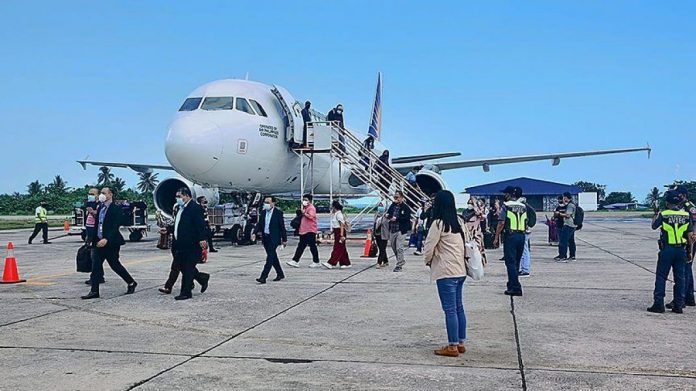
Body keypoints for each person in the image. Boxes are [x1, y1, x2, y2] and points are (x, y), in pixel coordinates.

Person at [423, 190, 468, 357]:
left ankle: (452, 346)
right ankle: (461, 342)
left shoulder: (438, 223)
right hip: (460, 270)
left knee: (449, 309)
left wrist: (428, 261)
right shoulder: (459, 221)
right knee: (459, 307)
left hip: (446, 270)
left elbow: (429, 247)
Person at [81, 188, 137, 299]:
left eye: (104, 193)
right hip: (98, 242)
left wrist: (106, 239)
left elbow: (115, 227)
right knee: (96, 266)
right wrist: (93, 239)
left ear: (110, 195)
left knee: (115, 265)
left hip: (111, 243)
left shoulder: (116, 209)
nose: (102, 195)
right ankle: (94, 291)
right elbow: (98, 225)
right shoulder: (100, 207)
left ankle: (131, 282)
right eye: (101, 193)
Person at [158, 189, 210, 300]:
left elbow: (200, 225)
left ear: (186, 196)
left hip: (191, 243)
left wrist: (202, 239)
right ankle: (202, 278)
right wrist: (168, 230)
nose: (177, 198)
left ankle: (186, 292)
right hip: (179, 244)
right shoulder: (180, 208)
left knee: (188, 268)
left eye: (179, 196)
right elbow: (179, 225)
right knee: (182, 267)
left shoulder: (195, 208)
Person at [647, 190, 693, 313]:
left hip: (667, 249)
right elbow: (690, 236)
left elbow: (654, 226)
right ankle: (678, 304)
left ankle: (658, 304)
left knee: (661, 276)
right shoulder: (686, 215)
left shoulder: (664, 214)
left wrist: (655, 214)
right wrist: (690, 251)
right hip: (681, 249)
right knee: (680, 278)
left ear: (667, 203)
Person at [494, 186, 534, 296]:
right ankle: (511, 284)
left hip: (510, 236)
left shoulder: (506, 206)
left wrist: (496, 237)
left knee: (510, 263)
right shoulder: (523, 206)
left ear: (508, 194)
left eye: (505, 193)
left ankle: (516, 287)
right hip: (521, 235)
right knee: (516, 262)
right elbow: (527, 221)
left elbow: (501, 222)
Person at [666, 185, 696, 309]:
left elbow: (694, 223)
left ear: (683, 195)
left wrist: (692, 241)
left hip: (690, 241)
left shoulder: (689, 207)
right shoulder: (680, 207)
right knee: (687, 268)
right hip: (685, 240)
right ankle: (689, 297)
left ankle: (680, 299)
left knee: (683, 270)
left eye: (678, 194)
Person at [254, 196, 287, 283]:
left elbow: (282, 227)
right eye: (265, 202)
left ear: (273, 203)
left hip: (274, 238)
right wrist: (254, 233)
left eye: (268, 202)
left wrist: (284, 239)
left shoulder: (278, 213)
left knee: (269, 258)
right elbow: (259, 224)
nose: (266, 204)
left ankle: (263, 277)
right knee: (273, 257)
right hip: (266, 237)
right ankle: (280, 273)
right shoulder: (263, 212)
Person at [287, 194, 320, 268]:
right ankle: (295, 260)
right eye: (304, 199)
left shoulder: (311, 208)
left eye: (306, 200)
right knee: (301, 246)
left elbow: (311, 216)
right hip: (304, 230)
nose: (304, 201)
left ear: (310, 201)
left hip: (310, 230)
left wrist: (304, 213)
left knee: (312, 246)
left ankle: (316, 261)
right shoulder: (305, 208)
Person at [84, 188, 105, 285]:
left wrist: (92, 211)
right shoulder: (89, 203)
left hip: (94, 231)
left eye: (92, 194)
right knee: (94, 256)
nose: (90, 195)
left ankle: (96, 277)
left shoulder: (100, 204)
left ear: (98, 195)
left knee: (95, 256)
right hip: (89, 230)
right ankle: (98, 276)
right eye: (89, 194)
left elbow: (100, 216)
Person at [387, 191, 412, 272]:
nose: (395, 199)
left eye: (397, 197)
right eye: (395, 197)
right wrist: (389, 217)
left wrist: (397, 219)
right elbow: (388, 214)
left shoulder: (405, 208)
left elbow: (406, 218)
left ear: (401, 198)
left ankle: (399, 264)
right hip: (392, 229)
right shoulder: (392, 206)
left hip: (401, 230)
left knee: (399, 248)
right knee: (393, 247)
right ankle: (400, 259)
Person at [322, 200, 351, 269]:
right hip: (336, 231)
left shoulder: (339, 214)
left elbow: (342, 225)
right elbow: (336, 225)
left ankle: (331, 263)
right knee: (342, 248)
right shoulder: (335, 214)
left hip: (340, 232)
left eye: (332, 206)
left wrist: (341, 235)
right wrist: (332, 232)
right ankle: (345, 263)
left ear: (334, 207)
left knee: (337, 248)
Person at [462, 196, 486, 265]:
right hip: (466, 233)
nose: (469, 205)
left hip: (476, 234)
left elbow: (480, 214)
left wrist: (475, 204)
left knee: (478, 250)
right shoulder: (465, 212)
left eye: (471, 203)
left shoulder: (477, 212)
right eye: (469, 203)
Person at [555, 192, 577, 262]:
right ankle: (572, 256)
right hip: (573, 225)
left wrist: (559, 214)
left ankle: (563, 256)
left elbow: (568, 215)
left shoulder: (570, 205)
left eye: (564, 198)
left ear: (566, 198)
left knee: (563, 241)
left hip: (568, 225)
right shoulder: (573, 204)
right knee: (571, 241)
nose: (563, 199)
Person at [518, 197, 532, 277]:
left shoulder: (523, 209)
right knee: (524, 251)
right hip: (525, 230)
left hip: (524, 231)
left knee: (524, 251)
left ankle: (525, 270)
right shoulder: (528, 208)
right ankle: (523, 268)